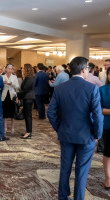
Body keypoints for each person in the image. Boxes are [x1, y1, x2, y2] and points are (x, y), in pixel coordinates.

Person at [47, 56, 103, 200]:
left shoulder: (59, 88)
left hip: (66, 134)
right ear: (84, 69)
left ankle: (63, 197)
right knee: (81, 171)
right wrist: (97, 134)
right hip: (86, 136)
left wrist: (59, 128)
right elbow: (97, 114)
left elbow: (51, 113)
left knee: (65, 169)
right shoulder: (92, 88)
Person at [17, 64, 35, 139]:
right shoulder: (29, 77)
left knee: (28, 115)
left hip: (28, 98)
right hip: (28, 98)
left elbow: (25, 89)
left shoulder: (29, 78)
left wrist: (18, 96)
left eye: (23, 68)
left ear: (27, 69)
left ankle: (28, 132)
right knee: (27, 115)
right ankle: (28, 131)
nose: (22, 69)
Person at [100, 67, 110, 190]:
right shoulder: (102, 90)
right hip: (108, 125)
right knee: (108, 152)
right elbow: (98, 109)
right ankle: (108, 178)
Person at [1, 64, 19, 133]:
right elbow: (0, 86)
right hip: (4, 95)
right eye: (8, 68)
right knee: (4, 112)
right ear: (6, 69)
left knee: (12, 112)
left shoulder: (14, 77)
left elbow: (17, 86)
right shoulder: (2, 76)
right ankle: (5, 128)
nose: (10, 70)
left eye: (11, 69)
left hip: (12, 95)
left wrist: (12, 84)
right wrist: (3, 83)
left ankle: (12, 128)